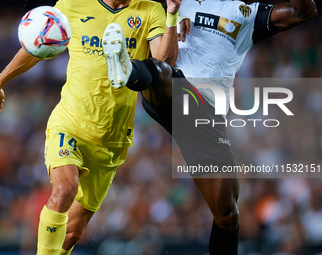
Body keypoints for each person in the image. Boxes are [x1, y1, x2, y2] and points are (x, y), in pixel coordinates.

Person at [104, 0, 317, 254]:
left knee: (228, 214)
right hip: (174, 88)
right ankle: (127, 70)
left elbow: (305, 11)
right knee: (162, 72)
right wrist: (167, 20)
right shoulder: (175, 3)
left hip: (205, 115)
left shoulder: (247, 12)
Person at [0, 0, 181, 253]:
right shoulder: (72, 5)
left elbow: (162, 64)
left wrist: (173, 16)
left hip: (112, 140)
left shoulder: (150, 10)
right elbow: (39, 43)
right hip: (70, 124)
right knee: (65, 189)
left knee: (72, 233)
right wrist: (0, 79)